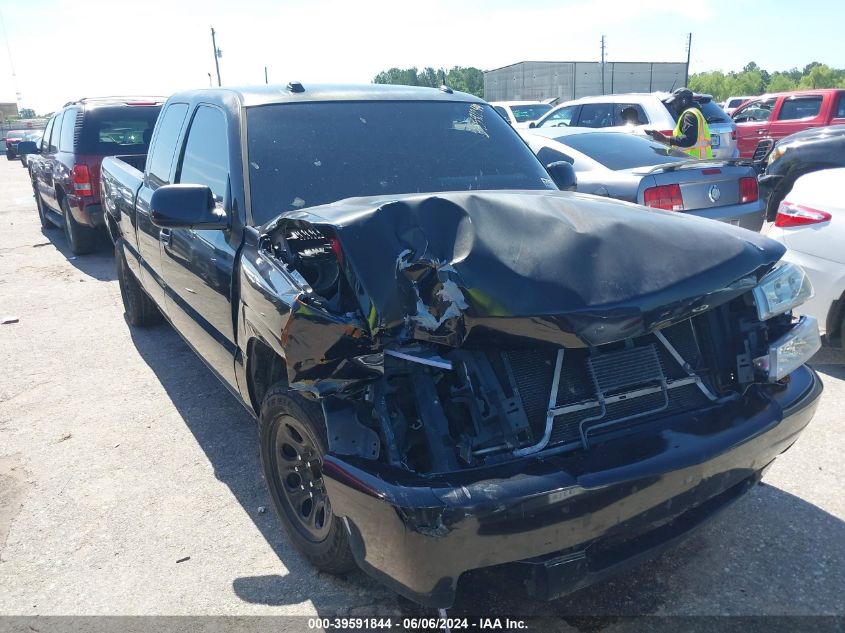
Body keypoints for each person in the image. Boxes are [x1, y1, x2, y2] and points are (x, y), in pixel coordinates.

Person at [647, 88, 713, 159]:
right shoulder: (695, 112)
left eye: (674, 102)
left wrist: (665, 139)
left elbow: (689, 140)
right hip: (699, 162)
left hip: (694, 162)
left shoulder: (689, 115)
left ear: (684, 101)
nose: (673, 106)